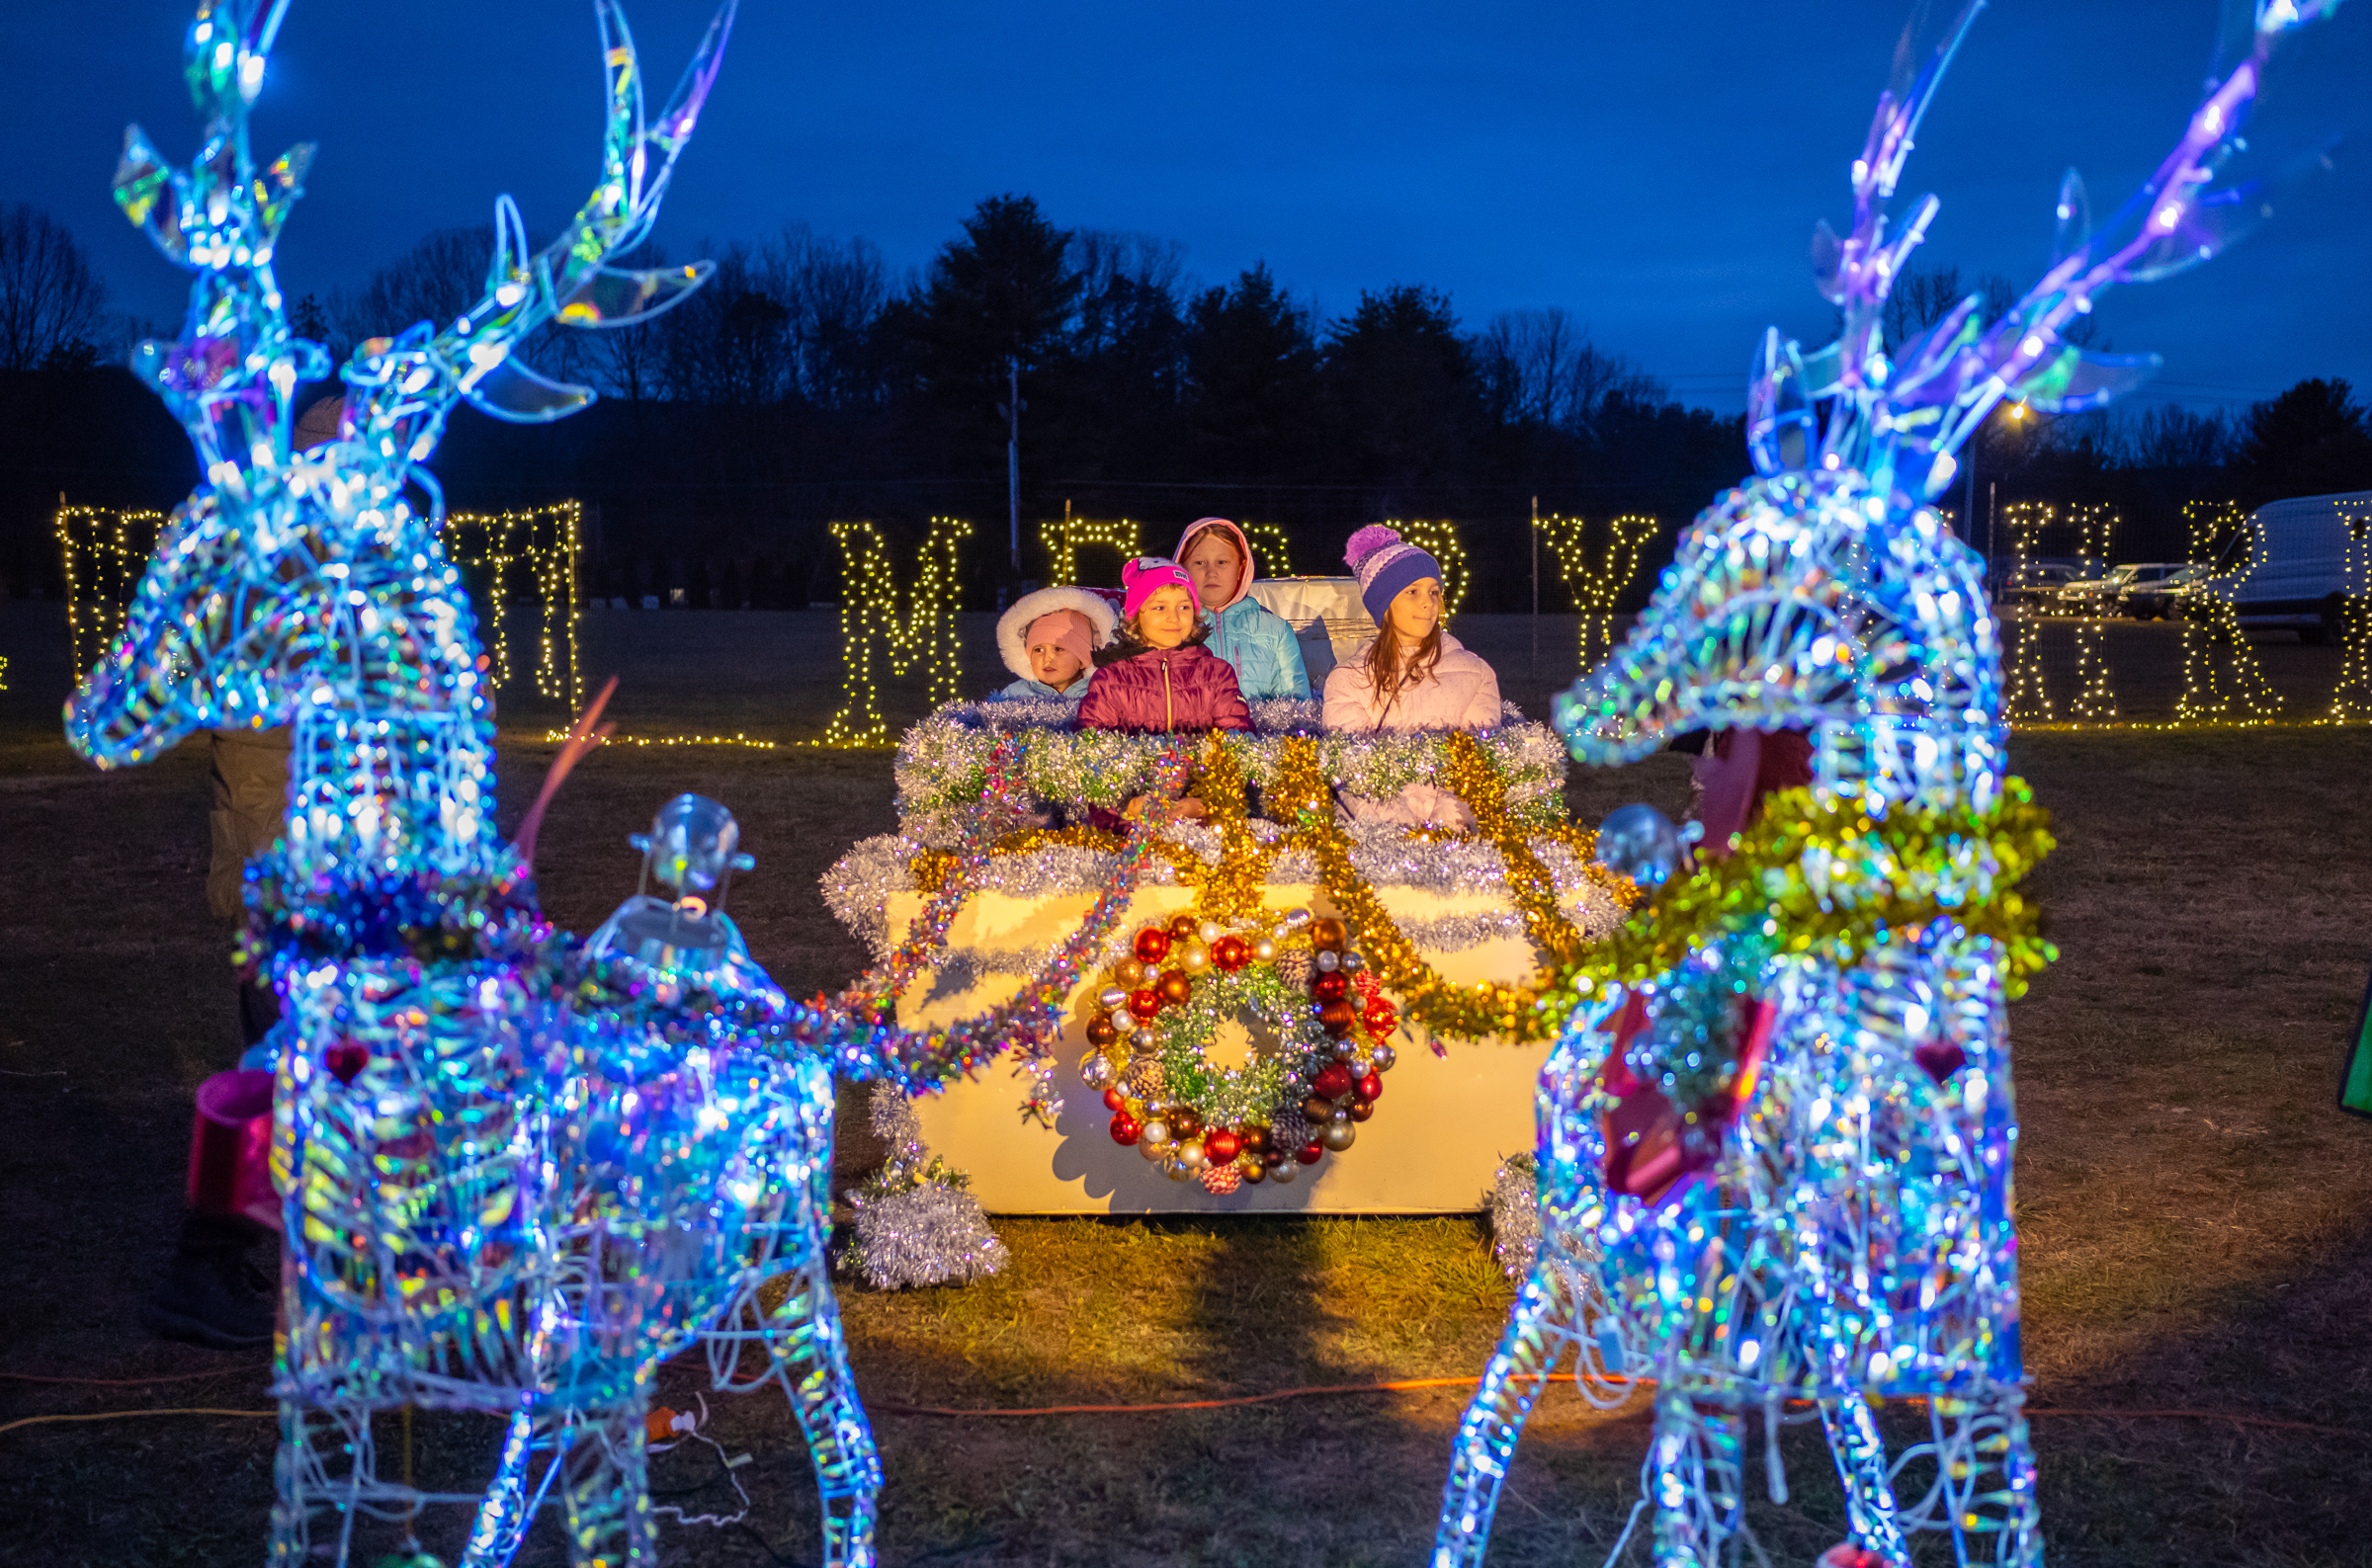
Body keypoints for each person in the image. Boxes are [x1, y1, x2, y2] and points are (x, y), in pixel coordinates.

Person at [1322, 525, 1502, 829]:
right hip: (1376, 838)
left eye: (1434, 592)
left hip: (1457, 841)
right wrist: (1403, 834)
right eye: (1412, 592)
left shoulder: (1475, 673)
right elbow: (1355, 775)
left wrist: (1444, 832)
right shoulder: (1348, 679)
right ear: (1384, 604)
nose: (1428, 603)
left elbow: (1475, 767)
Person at [1078, 557, 1252, 822]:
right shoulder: (1111, 680)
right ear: (1136, 617)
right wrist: (1127, 806)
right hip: (1132, 823)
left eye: (1184, 606)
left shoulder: (1217, 674)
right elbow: (1091, 754)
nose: (1174, 617)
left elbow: (1238, 744)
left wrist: (1208, 803)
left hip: (1202, 820)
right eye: (1159, 607)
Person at [1174, 516, 1310, 700]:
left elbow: (1297, 704)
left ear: (1240, 568)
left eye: (1221, 562)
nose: (1211, 572)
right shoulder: (1167, 627)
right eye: (1199, 563)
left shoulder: (1276, 630)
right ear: (1182, 568)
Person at [991, 585, 1117, 706]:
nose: (1047, 658)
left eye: (1058, 649)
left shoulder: (1099, 695)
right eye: (1038, 650)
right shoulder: (1014, 695)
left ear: (1083, 660)